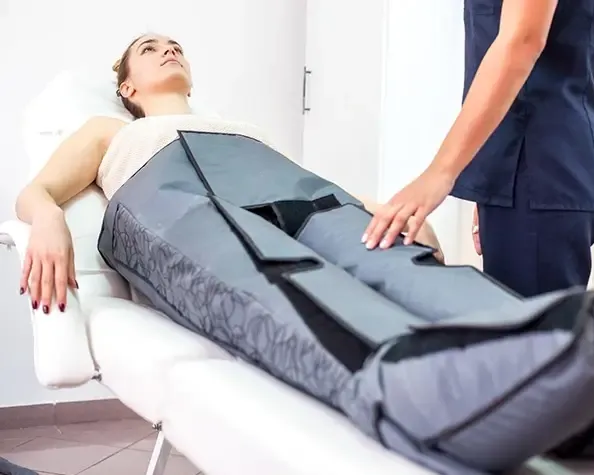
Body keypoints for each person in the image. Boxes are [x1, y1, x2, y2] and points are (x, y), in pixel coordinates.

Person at [15, 34, 443, 314]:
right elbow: (37, 192)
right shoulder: (115, 132)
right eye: (150, 49)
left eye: (175, 46)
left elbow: (302, 190)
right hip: (218, 238)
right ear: (128, 89)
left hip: (288, 221)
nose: (169, 50)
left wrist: (385, 211)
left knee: (411, 258)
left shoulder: (243, 132)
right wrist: (49, 219)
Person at [363, 0, 594, 298]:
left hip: (540, 171)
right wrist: (493, 179)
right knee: (512, 333)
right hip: (517, 173)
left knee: (530, 340)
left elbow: (522, 42)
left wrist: (440, 173)